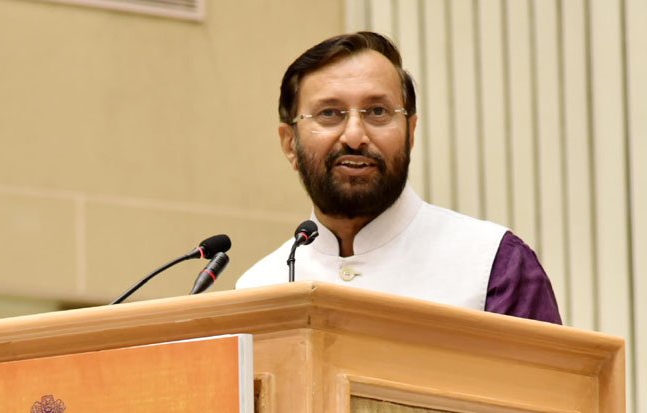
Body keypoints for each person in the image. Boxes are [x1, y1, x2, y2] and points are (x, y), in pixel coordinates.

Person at [236, 32, 562, 324]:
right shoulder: (257, 289)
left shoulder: (493, 264)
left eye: (377, 111)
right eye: (329, 113)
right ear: (289, 144)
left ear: (411, 133)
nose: (354, 136)